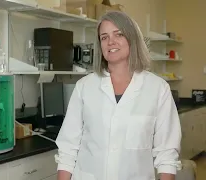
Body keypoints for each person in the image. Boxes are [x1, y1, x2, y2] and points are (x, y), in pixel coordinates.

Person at [55, 11, 182, 180]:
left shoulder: (158, 89)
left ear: (132, 39)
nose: (111, 42)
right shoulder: (84, 87)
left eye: (118, 34)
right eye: (104, 37)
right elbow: (68, 149)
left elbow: (167, 154)